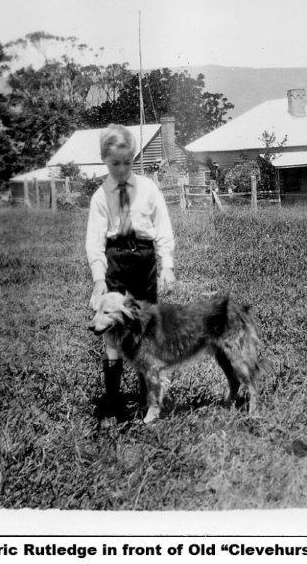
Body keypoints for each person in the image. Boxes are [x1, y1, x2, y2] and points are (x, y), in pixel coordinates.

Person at [86, 123, 176, 420]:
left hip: (144, 262)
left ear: (134, 158)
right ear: (104, 160)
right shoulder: (100, 196)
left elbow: (163, 229)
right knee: (112, 332)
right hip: (116, 262)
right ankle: (113, 400)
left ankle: (146, 396)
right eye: (115, 163)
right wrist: (99, 279)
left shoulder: (149, 189)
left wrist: (167, 266)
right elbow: (95, 241)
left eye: (127, 162)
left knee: (144, 329)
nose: (122, 169)